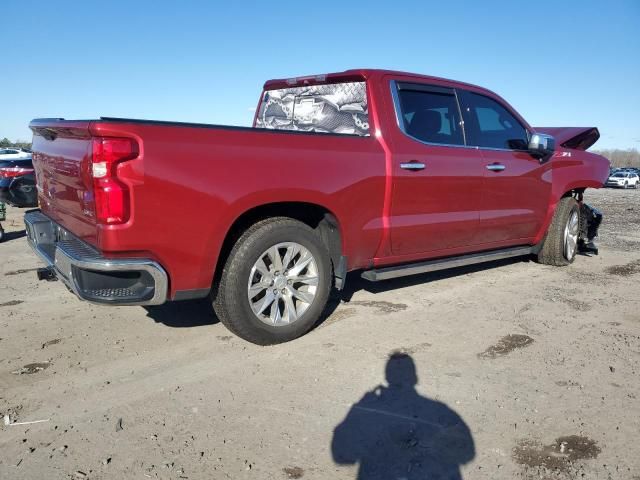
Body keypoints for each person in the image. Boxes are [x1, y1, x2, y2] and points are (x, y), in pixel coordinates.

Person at [332, 353, 475, 479]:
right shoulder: (441, 410)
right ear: (415, 377)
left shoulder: (365, 408)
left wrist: (358, 409)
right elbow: (467, 454)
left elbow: (340, 455)